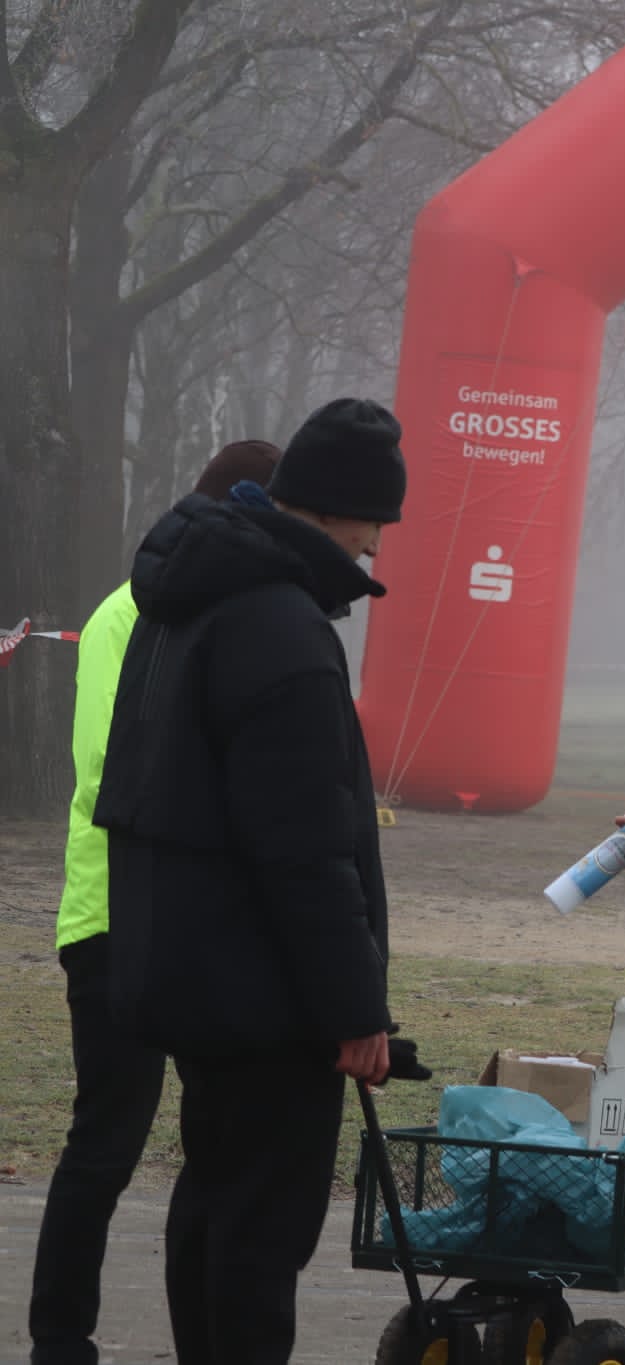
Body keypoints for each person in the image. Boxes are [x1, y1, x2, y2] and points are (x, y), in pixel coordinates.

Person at [93, 399, 426, 1365]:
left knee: (210, 1204)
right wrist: (354, 1009)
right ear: (332, 510)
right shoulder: (281, 626)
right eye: (374, 523)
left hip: (188, 976)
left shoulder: (185, 599)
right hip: (266, 998)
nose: (374, 547)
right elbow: (305, 850)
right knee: (260, 1235)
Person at [29, 440, 282, 1365]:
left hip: (190, 919)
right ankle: (60, 1337)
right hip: (113, 916)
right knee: (107, 1139)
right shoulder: (129, 612)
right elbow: (112, 763)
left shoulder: (207, 612)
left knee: (210, 1141)